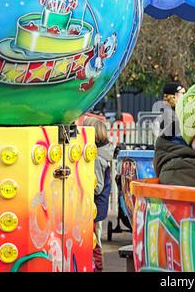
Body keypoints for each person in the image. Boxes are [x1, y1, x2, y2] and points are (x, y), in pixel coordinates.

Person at [82, 116, 114, 272]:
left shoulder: (96, 158)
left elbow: (97, 186)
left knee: (93, 240)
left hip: (94, 205)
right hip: (99, 204)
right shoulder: (104, 152)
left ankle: (97, 268)